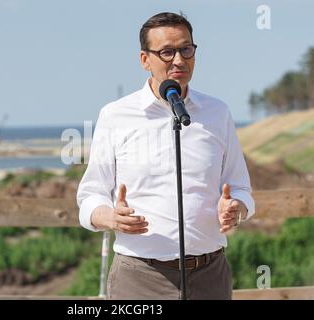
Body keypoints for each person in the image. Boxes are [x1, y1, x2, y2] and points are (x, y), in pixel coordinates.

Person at [76, 12, 255, 300]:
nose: (179, 60)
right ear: (144, 60)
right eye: (166, 52)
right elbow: (89, 196)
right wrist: (110, 217)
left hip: (211, 275)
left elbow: (242, 189)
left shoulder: (218, 113)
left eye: (186, 49)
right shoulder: (115, 115)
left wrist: (236, 208)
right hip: (140, 279)